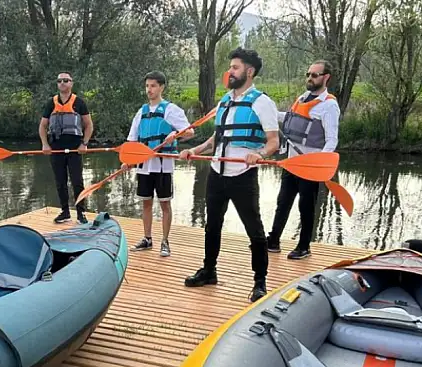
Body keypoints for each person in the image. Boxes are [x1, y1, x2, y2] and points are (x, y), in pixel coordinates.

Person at [180, 48, 280, 302]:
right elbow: (218, 138)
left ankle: (260, 282)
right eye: (230, 67)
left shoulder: (262, 102)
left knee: (254, 230)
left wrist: (260, 154)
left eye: (235, 67)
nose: (230, 72)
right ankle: (209, 271)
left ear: (249, 71)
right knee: (212, 225)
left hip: (243, 175)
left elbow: (273, 142)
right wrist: (195, 149)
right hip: (216, 172)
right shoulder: (224, 101)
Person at [267, 60, 340, 260]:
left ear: (326, 78)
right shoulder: (302, 99)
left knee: (306, 207)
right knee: (283, 203)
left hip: (310, 166)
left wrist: (320, 164)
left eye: (315, 75)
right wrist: (268, 111)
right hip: (291, 163)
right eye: (308, 74)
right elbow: (287, 118)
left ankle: (304, 246)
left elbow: (332, 139)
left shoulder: (329, 106)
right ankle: (273, 240)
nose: (310, 78)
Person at [127, 71, 194, 257]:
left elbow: (190, 132)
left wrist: (177, 134)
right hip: (144, 165)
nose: (149, 90)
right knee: (145, 203)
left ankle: (165, 241)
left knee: (164, 204)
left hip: (163, 164)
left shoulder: (171, 110)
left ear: (161, 87)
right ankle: (147, 238)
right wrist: (128, 161)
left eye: (153, 86)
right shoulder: (141, 112)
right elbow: (132, 140)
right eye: (147, 86)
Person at [39, 72, 94, 224]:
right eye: (59, 81)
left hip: (75, 148)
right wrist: (45, 144)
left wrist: (85, 143)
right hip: (56, 148)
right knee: (60, 181)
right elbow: (43, 126)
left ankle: (81, 212)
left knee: (77, 181)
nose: (62, 83)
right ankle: (65, 212)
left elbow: (88, 125)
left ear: (71, 83)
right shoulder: (51, 103)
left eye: (65, 80)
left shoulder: (79, 102)